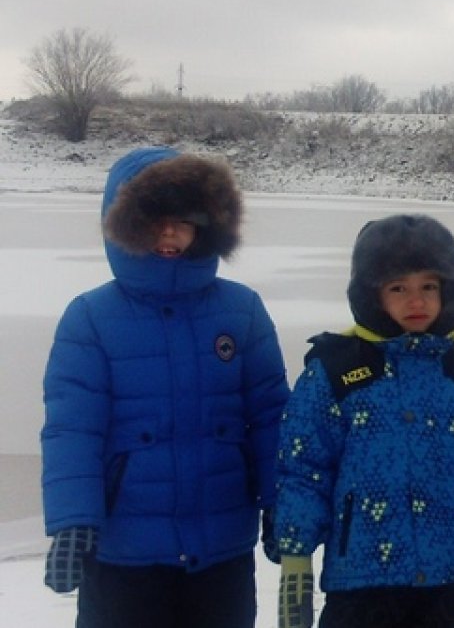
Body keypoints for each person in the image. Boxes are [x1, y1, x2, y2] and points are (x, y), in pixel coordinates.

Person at [41, 146, 290, 628]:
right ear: (125, 224)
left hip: (221, 549)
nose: (170, 232)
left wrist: (281, 500)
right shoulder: (90, 318)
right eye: (155, 219)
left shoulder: (243, 312)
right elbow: (72, 429)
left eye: (185, 219)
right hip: (124, 554)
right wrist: (73, 521)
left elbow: (271, 416)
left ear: (210, 226)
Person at [272, 214, 454, 628]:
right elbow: (304, 470)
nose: (417, 301)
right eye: (399, 288)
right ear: (373, 294)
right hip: (361, 584)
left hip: (451, 584)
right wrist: (296, 555)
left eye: (429, 286)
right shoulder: (336, 372)